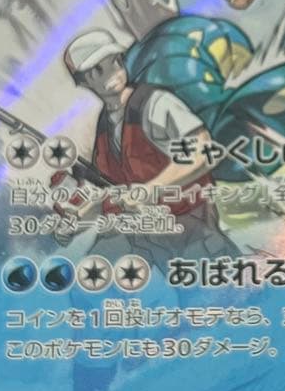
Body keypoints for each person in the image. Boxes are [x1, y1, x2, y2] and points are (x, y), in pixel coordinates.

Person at [60, 28, 237, 262]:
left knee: (217, 277)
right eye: (97, 70)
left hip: (190, 225)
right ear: (85, 81)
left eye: (115, 62)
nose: (111, 73)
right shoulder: (104, 127)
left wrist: (151, 189)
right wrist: (77, 219)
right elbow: (108, 189)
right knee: (96, 267)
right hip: (146, 235)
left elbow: (202, 152)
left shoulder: (156, 103)